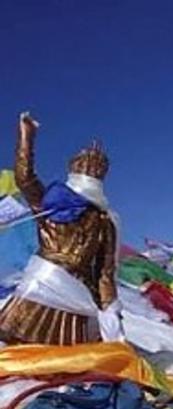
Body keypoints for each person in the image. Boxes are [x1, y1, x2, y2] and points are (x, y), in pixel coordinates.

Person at [0, 113, 121, 345]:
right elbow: (24, 178)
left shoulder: (105, 222)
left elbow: (105, 273)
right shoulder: (52, 206)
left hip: (75, 298)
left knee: (65, 359)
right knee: (16, 345)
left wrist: (110, 312)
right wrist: (27, 136)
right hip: (41, 289)